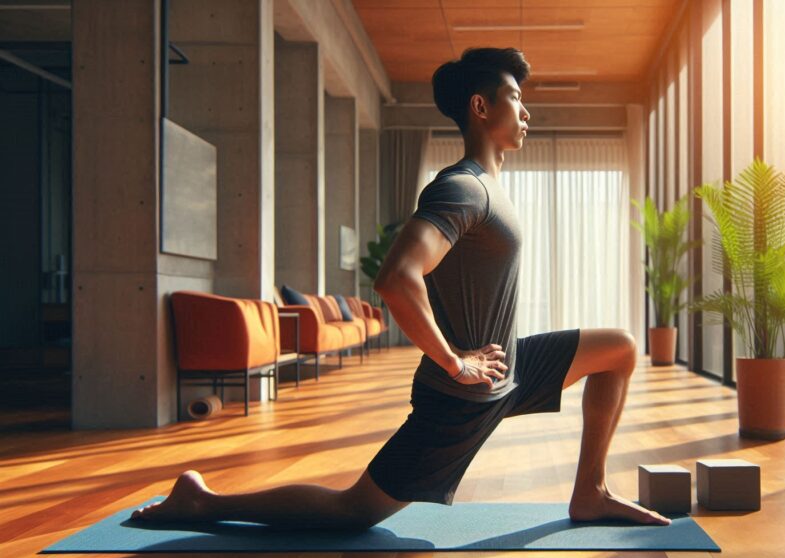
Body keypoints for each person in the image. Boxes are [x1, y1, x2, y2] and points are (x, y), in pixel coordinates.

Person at [130, 47, 670, 530]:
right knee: (355, 512)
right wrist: (456, 363)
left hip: (508, 370)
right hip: (463, 395)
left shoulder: (490, 188)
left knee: (618, 348)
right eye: (513, 98)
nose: (526, 111)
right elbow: (395, 279)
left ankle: (590, 493)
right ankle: (202, 504)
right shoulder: (463, 188)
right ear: (480, 107)